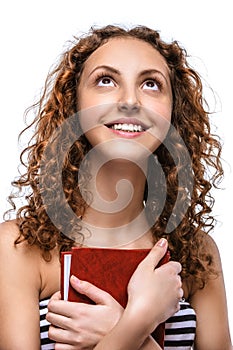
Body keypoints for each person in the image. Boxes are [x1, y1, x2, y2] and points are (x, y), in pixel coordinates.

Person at [0, 24, 232, 350]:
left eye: (151, 84)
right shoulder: (18, 247)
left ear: (173, 114)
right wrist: (137, 321)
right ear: (74, 106)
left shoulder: (197, 253)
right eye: (106, 80)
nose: (129, 100)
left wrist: (120, 329)